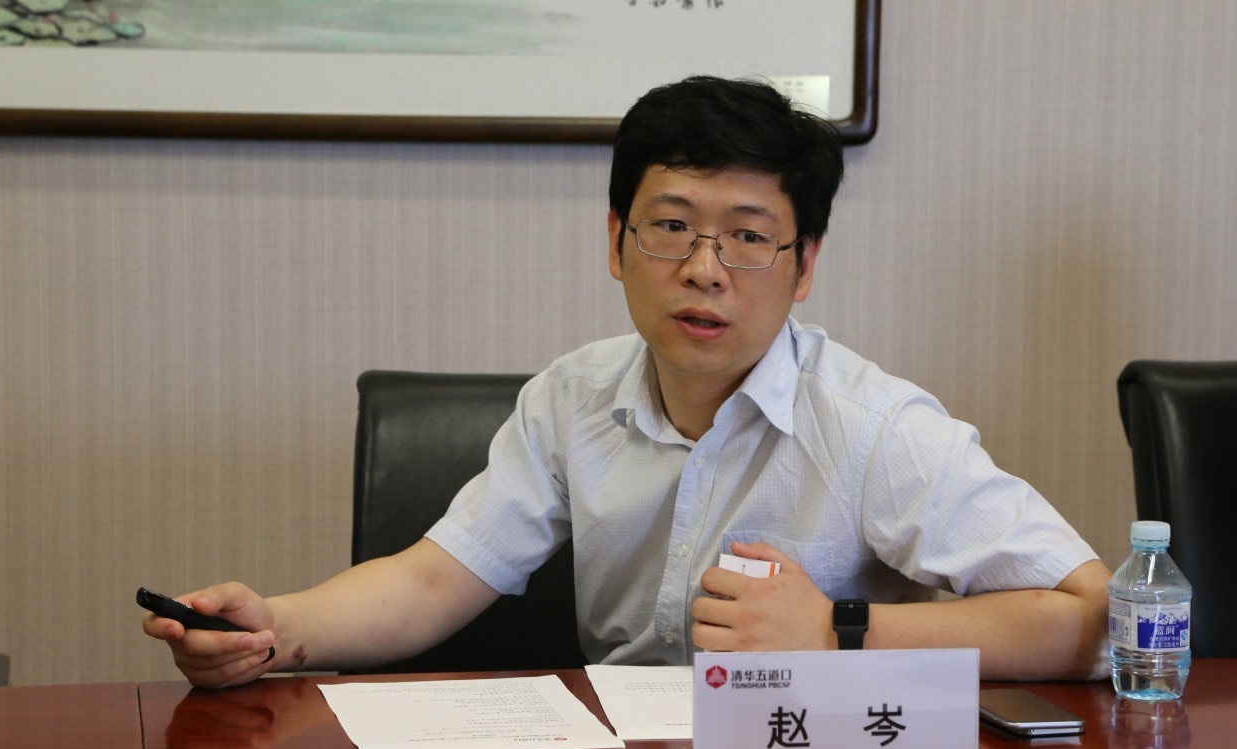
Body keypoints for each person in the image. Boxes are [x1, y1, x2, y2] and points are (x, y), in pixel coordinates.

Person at [143, 75, 1110, 689]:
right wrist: (273, 632)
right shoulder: (570, 398)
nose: (704, 269)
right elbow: (434, 579)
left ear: (803, 265)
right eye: (671, 226)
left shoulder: (872, 425)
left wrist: (837, 630)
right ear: (616, 241)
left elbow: (1097, 614)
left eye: (747, 236)